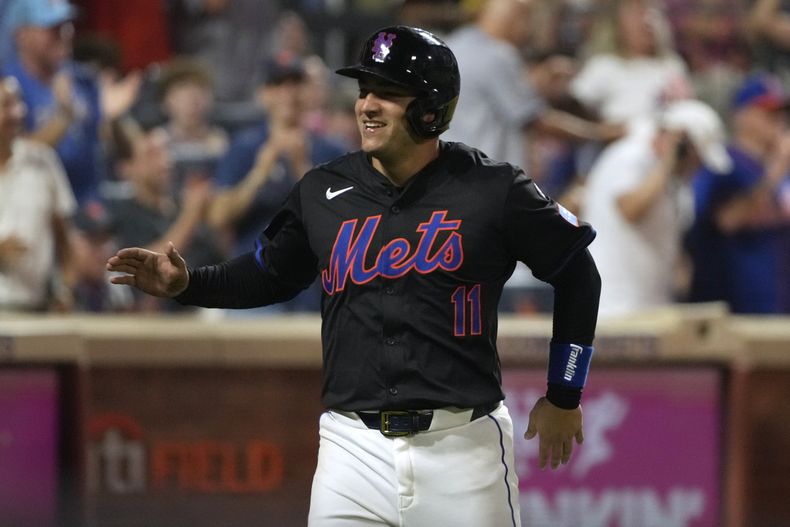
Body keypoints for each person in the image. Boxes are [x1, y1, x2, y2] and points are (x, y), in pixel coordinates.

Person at [107, 26, 601, 525]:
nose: (367, 104)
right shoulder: (323, 190)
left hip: (462, 449)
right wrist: (189, 284)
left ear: (431, 106)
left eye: (387, 93)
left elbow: (578, 273)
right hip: (352, 450)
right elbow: (268, 274)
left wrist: (565, 394)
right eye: (364, 90)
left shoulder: (494, 189)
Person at [581, 99, 731, 318]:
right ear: (680, 144)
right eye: (695, 158)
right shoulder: (629, 156)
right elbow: (630, 209)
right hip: (613, 302)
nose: (696, 167)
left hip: (647, 301)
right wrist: (669, 158)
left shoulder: (672, 181)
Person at [1, 0, 142, 204]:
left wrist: (114, 119)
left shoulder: (84, 80)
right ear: (22, 34)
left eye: (66, 27)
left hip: (92, 205)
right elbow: (13, 157)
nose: (64, 35)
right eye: (52, 29)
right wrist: (63, 117)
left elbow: (120, 152)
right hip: (34, 208)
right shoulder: (7, 87)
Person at [688, 73, 790, 313]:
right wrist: (776, 169)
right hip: (732, 304)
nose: (777, 120)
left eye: (780, 112)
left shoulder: (778, 168)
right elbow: (728, 220)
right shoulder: (721, 163)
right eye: (767, 111)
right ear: (741, 115)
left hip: (778, 301)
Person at [0, 76, 77, 312]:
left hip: (36, 309)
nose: (17, 113)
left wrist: (66, 289)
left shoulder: (43, 160)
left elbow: (66, 240)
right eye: (6, 105)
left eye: (18, 103)